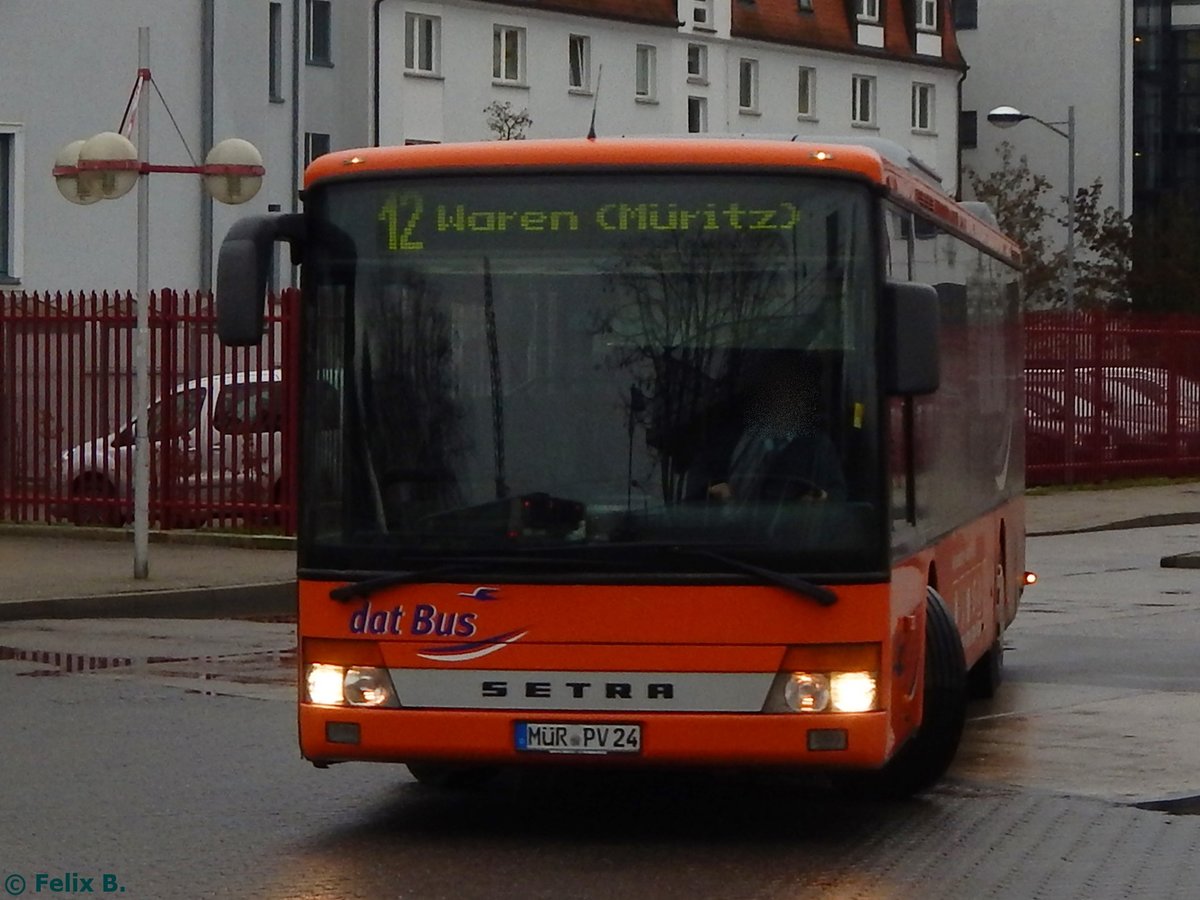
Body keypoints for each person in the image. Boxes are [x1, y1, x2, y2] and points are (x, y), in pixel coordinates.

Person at [688, 354, 846, 504]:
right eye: (777, 388)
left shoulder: (819, 448)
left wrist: (822, 503)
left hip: (792, 530)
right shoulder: (731, 438)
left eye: (793, 390)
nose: (784, 398)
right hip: (731, 529)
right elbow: (698, 485)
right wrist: (712, 491)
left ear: (805, 398)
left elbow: (837, 499)